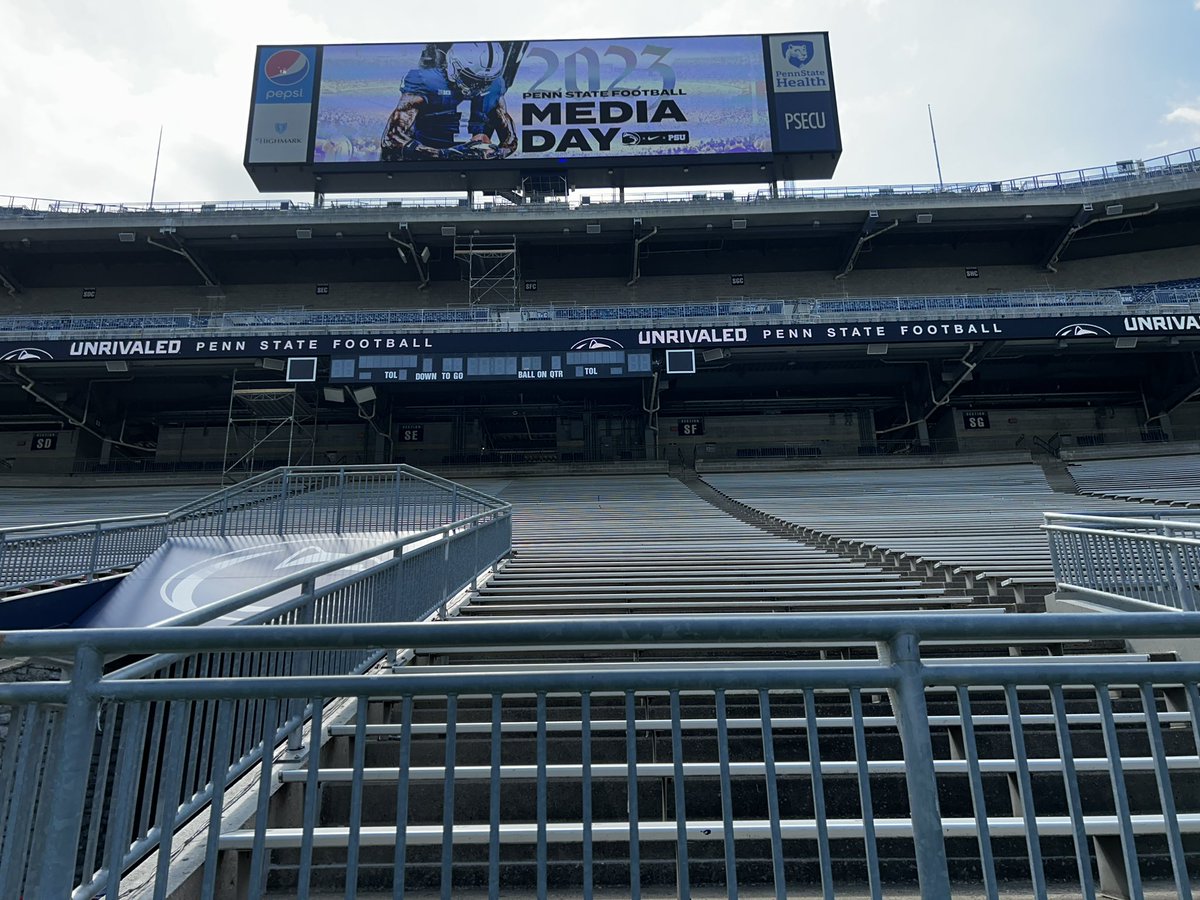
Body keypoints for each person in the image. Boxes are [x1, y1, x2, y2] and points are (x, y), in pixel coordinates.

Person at [380, 42, 517, 161]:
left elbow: (510, 139)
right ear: (453, 65)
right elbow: (391, 138)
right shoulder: (426, 82)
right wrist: (443, 154)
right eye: (471, 80)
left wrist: (497, 153)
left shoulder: (496, 85)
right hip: (425, 162)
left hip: (470, 167)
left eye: (485, 82)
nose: (478, 87)